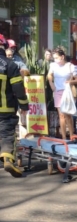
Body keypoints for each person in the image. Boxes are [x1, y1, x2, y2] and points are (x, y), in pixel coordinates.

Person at [0, 34, 29, 177]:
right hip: (6, 109)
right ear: (5, 47)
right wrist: (24, 106)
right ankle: (8, 160)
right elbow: (18, 88)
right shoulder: (10, 65)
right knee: (7, 135)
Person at [47, 47, 77, 139]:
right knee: (61, 115)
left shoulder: (71, 66)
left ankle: (71, 135)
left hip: (68, 92)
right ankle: (63, 137)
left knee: (68, 115)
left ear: (62, 57)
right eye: (54, 58)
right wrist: (51, 84)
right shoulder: (53, 65)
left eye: (57, 57)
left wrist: (70, 82)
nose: (55, 60)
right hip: (58, 91)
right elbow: (49, 75)